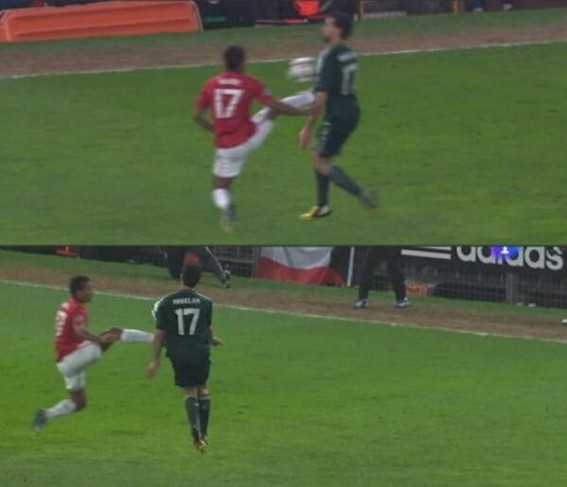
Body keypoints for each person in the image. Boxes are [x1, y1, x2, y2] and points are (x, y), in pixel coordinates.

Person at [194, 45, 314, 232]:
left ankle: (226, 207)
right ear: (242, 62)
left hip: (225, 148)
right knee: (271, 111)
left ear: (225, 62)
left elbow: (197, 116)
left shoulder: (211, 84)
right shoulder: (250, 82)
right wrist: (303, 113)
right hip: (247, 139)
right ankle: (310, 97)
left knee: (220, 188)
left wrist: (214, 130)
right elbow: (274, 105)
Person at [33, 276, 154, 433]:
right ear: (79, 292)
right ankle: (156, 339)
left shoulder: (67, 305)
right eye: (89, 289)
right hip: (72, 356)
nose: (92, 292)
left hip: (64, 362)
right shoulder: (78, 308)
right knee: (114, 333)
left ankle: (45, 414)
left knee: (79, 402)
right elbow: (79, 331)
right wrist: (99, 339)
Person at [299, 12, 376, 221]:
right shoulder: (349, 53)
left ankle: (362, 194)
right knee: (320, 152)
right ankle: (322, 205)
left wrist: (307, 128)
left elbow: (321, 97)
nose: (324, 28)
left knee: (321, 160)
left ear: (338, 30)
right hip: (351, 109)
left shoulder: (329, 55)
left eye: (328, 25)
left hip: (338, 113)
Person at [147, 262, 222, 453]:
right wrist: (213, 340)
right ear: (199, 279)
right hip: (200, 351)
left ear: (181, 276)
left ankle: (195, 430)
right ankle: (203, 433)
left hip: (178, 352)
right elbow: (207, 328)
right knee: (202, 388)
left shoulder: (166, 302)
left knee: (189, 391)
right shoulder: (206, 302)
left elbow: (159, 335)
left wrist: (155, 360)